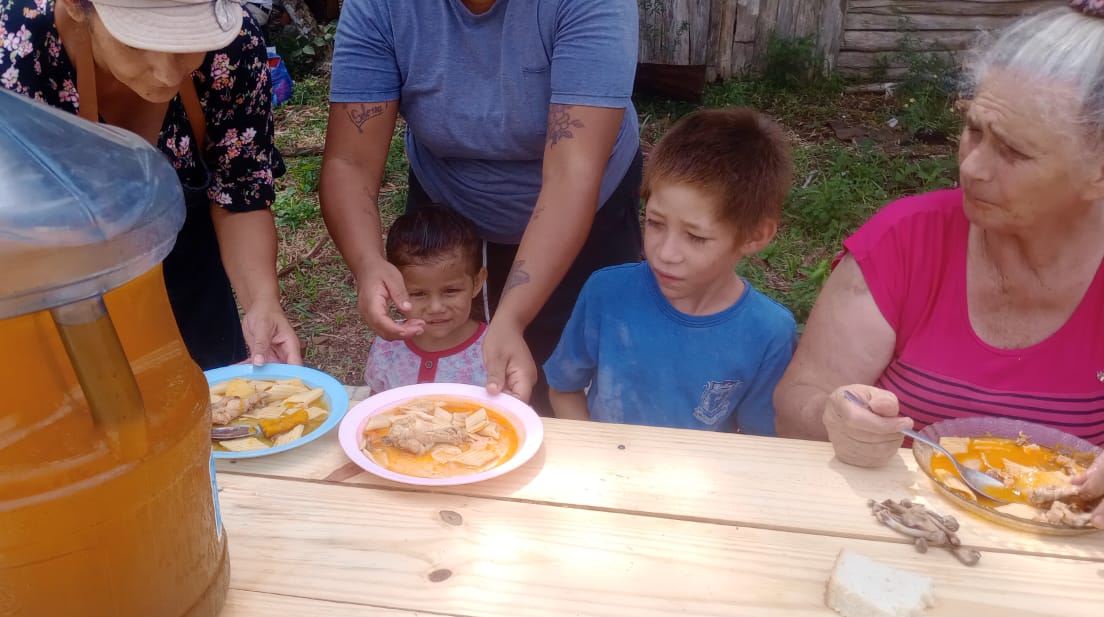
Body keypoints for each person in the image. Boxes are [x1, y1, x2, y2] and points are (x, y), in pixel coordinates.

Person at [772, 1, 1104, 527]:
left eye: (1013, 153)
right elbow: (796, 408)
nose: (971, 166)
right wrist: (833, 417)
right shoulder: (903, 241)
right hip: (899, 535)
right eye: (973, 129)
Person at [320, 0, 643, 413]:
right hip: (450, 203)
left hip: (585, 204)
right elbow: (350, 162)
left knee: (576, 381)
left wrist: (512, 317)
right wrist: (367, 262)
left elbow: (571, 174)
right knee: (458, 404)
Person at [0, 0, 301, 370]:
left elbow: (240, 192)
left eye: (185, 42)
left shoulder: (231, 41)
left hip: (188, 253)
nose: (166, 73)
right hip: (55, 275)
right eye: (135, 43)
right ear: (77, 8)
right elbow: (8, 237)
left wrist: (262, 302)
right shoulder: (12, 50)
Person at [543, 108, 797, 434]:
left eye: (695, 237)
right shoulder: (606, 294)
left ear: (755, 236)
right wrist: (600, 459)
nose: (665, 253)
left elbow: (759, 444)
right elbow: (564, 388)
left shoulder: (769, 333)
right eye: (655, 223)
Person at [364, 205, 488, 394]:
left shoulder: (492, 349)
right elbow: (376, 403)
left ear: (477, 282)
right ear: (393, 287)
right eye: (418, 294)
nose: (436, 307)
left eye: (451, 291)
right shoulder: (387, 346)